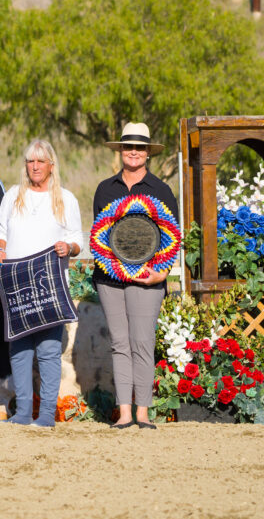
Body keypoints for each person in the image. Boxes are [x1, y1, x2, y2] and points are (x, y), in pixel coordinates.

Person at [0, 139, 82, 428]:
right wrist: (1, 248)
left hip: (50, 286)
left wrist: (69, 248)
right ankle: (23, 414)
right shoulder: (13, 195)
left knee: (49, 350)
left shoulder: (66, 198)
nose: (35, 166)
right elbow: (0, 231)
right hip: (16, 285)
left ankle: (45, 416)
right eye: (31, 161)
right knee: (19, 350)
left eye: (41, 161)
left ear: (51, 165)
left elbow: (78, 240)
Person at [93, 122, 178, 430]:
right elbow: (99, 234)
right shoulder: (105, 189)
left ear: (147, 153)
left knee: (142, 342)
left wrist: (162, 274)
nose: (133, 151)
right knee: (119, 343)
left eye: (139, 147)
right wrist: (111, 265)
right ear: (121, 150)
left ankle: (143, 413)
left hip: (148, 276)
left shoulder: (162, 190)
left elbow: (172, 236)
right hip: (110, 278)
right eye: (128, 146)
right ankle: (124, 413)